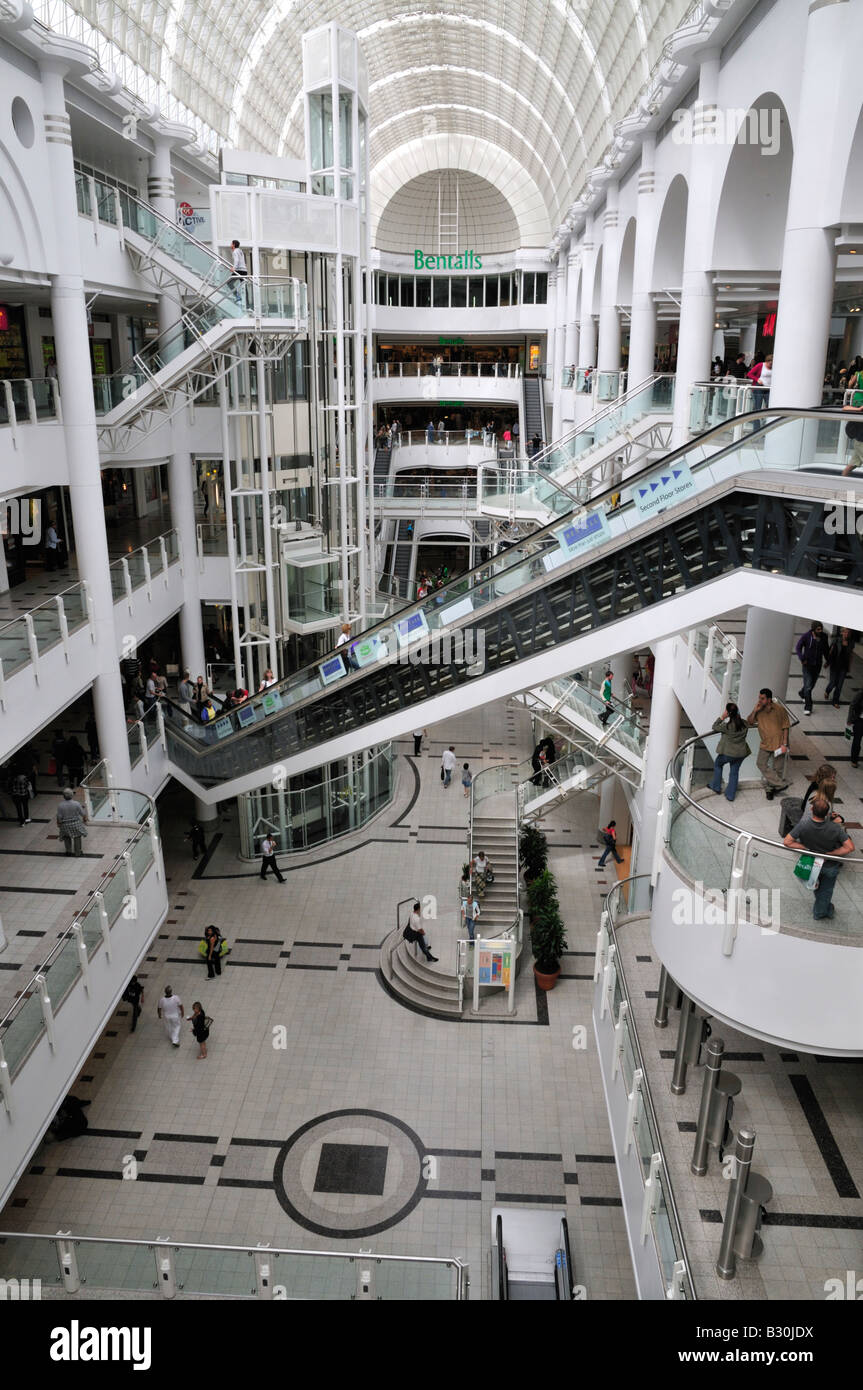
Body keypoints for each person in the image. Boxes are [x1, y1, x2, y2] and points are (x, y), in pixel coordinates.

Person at [783, 799, 855, 921]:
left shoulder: (803, 825)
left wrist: (806, 848)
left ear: (811, 810)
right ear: (827, 813)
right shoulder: (835, 828)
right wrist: (830, 854)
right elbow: (850, 847)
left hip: (812, 863)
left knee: (817, 886)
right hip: (829, 865)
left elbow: (787, 842)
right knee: (826, 889)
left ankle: (824, 907)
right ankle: (820, 912)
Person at [746, 688, 791, 799]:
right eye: (759, 698)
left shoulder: (780, 709)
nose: (759, 700)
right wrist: (755, 710)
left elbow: (786, 727)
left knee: (777, 768)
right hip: (765, 743)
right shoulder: (758, 709)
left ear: (769, 699)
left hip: (779, 743)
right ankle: (780, 784)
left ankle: (771, 789)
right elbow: (750, 722)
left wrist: (784, 744)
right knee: (761, 763)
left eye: (762, 698)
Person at [709, 703, 750, 802]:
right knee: (734, 772)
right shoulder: (745, 724)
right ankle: (730, 795)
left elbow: (714, 726)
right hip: (741, 754)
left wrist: (722, 717)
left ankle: (716, 787)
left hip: (729, 754)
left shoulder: (727, 726)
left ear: (728, 713)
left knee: (718, 764)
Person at [795, 620, 829, 715]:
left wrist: (828, 661)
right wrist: (802, 658)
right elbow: (798, 647)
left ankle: (802, 693)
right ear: (813, 629)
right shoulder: (806, 636)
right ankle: (808, 707)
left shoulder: (824, 637)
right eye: (818, 629)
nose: (820, 631)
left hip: (817, 665)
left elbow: (826, 649)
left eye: (821, 629)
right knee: (809, 686)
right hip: (807, 665)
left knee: (811, 685)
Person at [825, 628, 855, 708]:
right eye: (845, 632)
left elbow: (851, 655)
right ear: (842, 633)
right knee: (833, 683)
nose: (847, 634)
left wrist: (849, 666)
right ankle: (827, 691)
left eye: (848, 633)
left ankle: (835, 701)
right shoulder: (836, 640)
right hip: (835, 665)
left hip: (843, 667)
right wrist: (828, 662)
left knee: (839, 685)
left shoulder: (851, 643)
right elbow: (830, 652)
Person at [56, 787, 87, 855]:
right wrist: (84, 819)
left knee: (66, 837)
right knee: (77, 837)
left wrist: (58, 823)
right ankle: (78, 852)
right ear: (72, 795)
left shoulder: (60, 805)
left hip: (65, 825)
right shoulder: (76, 803)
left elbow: (59, 816)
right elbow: (83, 813)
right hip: (75, 823)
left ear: (63, 796)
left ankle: (68, 851)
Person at [848, 687, 863, 768]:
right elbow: (852, 705)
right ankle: (854, 760)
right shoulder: (860, 693)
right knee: (857, 741)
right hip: (860, 721)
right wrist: (849, 719)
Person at [230, 239, 248, 305]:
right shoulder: (240, 251)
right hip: (244, 271)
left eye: (231, 244)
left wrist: (233, 268)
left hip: (239, 270)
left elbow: (237, 260)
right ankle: (247, 303)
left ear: (234, 245)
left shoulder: (235, 251)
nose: (230, 245)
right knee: (244, 287)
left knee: (229, 283)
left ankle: (237, 296)